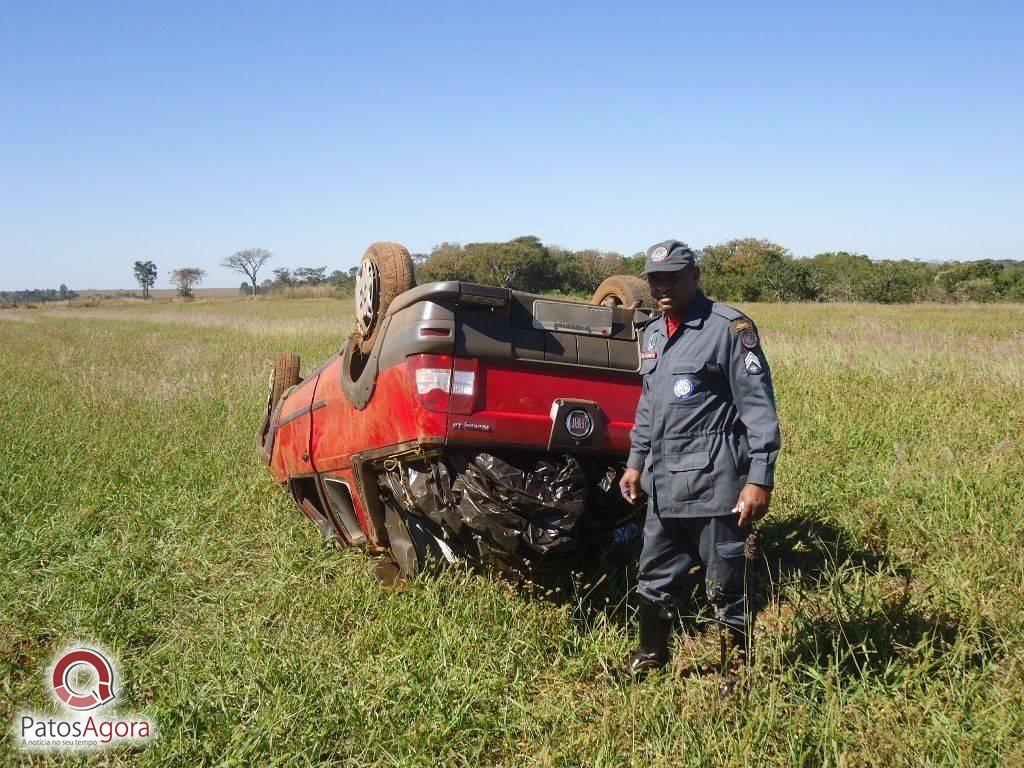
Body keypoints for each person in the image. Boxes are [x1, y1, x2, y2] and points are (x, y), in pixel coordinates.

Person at [618, 239, 781, 696]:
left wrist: (759, 478)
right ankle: (651, 656)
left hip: (717, 482)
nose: (663, 287)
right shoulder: (652, 334)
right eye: (655, 279)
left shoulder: (729, 329)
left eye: (673, 277)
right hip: (664, 484)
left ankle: (737, 675)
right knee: (654, 576)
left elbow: (759, 409)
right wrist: (635, 464)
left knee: (726, 583)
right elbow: (649, 407)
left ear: (695, 277)